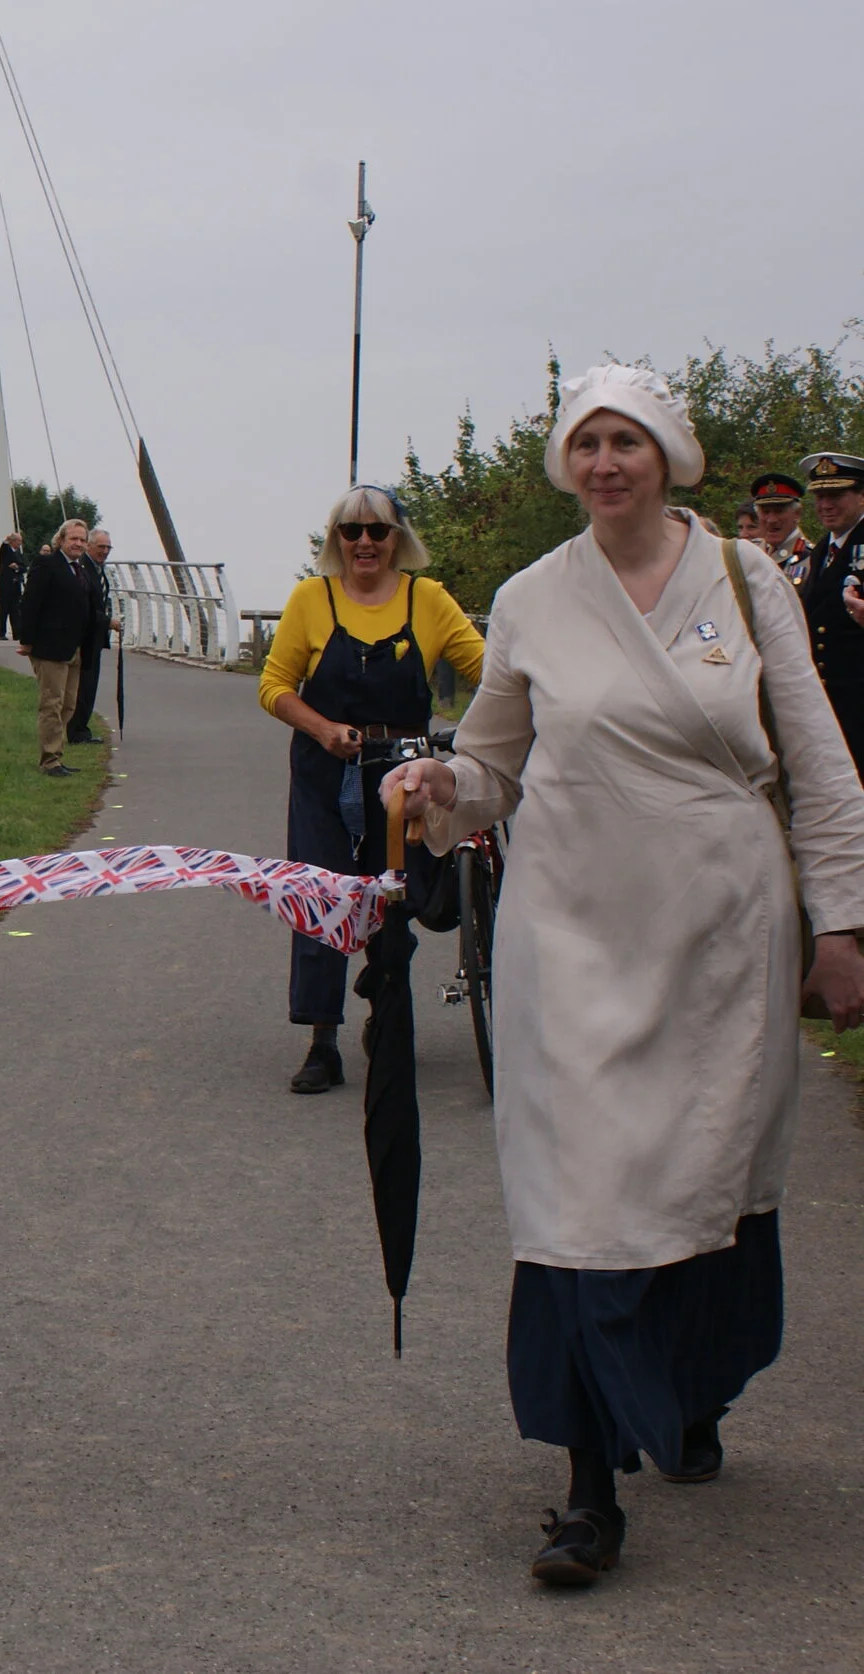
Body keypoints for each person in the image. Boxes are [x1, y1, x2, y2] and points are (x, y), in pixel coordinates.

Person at [386, 366, 864, 1588]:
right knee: (577, 1198)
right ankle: (588, 1489)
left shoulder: (750, 584)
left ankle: (692, 1390)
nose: (606, 462)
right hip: (572, 931)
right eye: (586, 442)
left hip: (719, 930)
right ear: (567, 462)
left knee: (706, 1169)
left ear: (670, 456)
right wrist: (439, 791)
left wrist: (843, 926)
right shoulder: (533, 598)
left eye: (628, 441)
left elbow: (817, 762)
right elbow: (493, 769)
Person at [256, 485, 484, 1094]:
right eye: (350, 531)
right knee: (322, 896)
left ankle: (385, 1016)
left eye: (377, 531)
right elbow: (274, 685)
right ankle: (322, 1040)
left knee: (394, 898)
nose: (363, 542)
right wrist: (323, 729)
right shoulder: (312, 598)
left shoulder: (428, 600)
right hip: (325, 768)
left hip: (402, 770)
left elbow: (490, 670)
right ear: (336, 541)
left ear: (397, 539)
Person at [795, 450, 864, 765]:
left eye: (836, 494)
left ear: (861, 496)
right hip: (828, 702)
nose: (825, 505)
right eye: (820, 496)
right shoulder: (823, 549)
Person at [16, 519, 93, 775]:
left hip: (74, 648)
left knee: (69, 704)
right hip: (50, 647)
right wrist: (26, 640)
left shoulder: (79, 570)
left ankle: (58, 754)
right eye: (74, 539)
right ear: (60, 540)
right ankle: (50, 760)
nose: (78, 544)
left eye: (83, 540)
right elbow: (31, 602)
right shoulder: (47, 564)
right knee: (52, 703)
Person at [68, 527, 117, 744]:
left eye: (108, 547)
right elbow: (84, 605)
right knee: (83, 684)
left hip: (94, 637)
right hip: (85, 637)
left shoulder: (97, 568)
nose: (105, 551)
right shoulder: (84, 569)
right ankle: (76, 730)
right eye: (101, 547)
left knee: (89, 683)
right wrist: (108, 622)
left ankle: (80, 728)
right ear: (89, 546)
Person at [752, 471, 811, 581]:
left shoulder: (811, 558)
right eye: (765, 512)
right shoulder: (750, 552)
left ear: (797, 513)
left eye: (779, 511)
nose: (771, 520)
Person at [0, 530, 27, 640]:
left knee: (15, 611)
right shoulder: (6, 550)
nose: (20, 544)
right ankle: (1, 633)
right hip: (4, 585)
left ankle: (17, 634)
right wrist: (6, 540)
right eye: (18, 541)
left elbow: (23, 567)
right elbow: (3, 546)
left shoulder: (19, 553)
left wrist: (17, 568)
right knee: (3, 610)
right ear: (13, 541)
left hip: (15, 585)